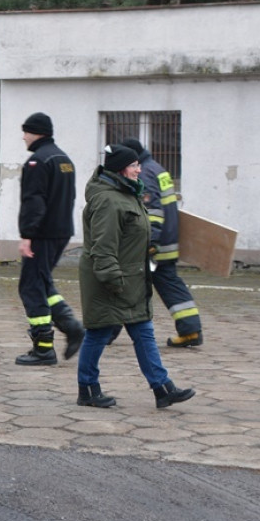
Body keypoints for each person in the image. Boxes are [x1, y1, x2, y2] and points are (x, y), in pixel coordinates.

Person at [76, 144, 196, 409]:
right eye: (134, 166)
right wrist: (113, 280)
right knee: (97, 334)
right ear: (121, 169)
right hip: (110, 281)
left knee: (144, 333)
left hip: (131, 280)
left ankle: (163, 388)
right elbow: (103, 246)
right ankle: (87, 389)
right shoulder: (108, 200)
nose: (139, 169)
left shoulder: (127, 193)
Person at [14, 112, 85, 366]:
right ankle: (70, 325)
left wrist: (27, 236)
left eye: (26, 131)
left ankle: (43, 348)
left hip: (42, 234)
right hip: (61, 231)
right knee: (42, 281)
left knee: (31, 287)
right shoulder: (63, 159)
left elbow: (34, 201)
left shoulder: (38, 161)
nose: (23, 137)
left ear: (37, 132)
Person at [122, 137, 203, 348]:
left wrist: (150, 241)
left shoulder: (145, 173)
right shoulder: (156, 168)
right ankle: (190, 329)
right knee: (166, 284)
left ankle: (105, 330)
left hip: (154, 245)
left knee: (126, 284)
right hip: (166, 243)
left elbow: (153, 211)